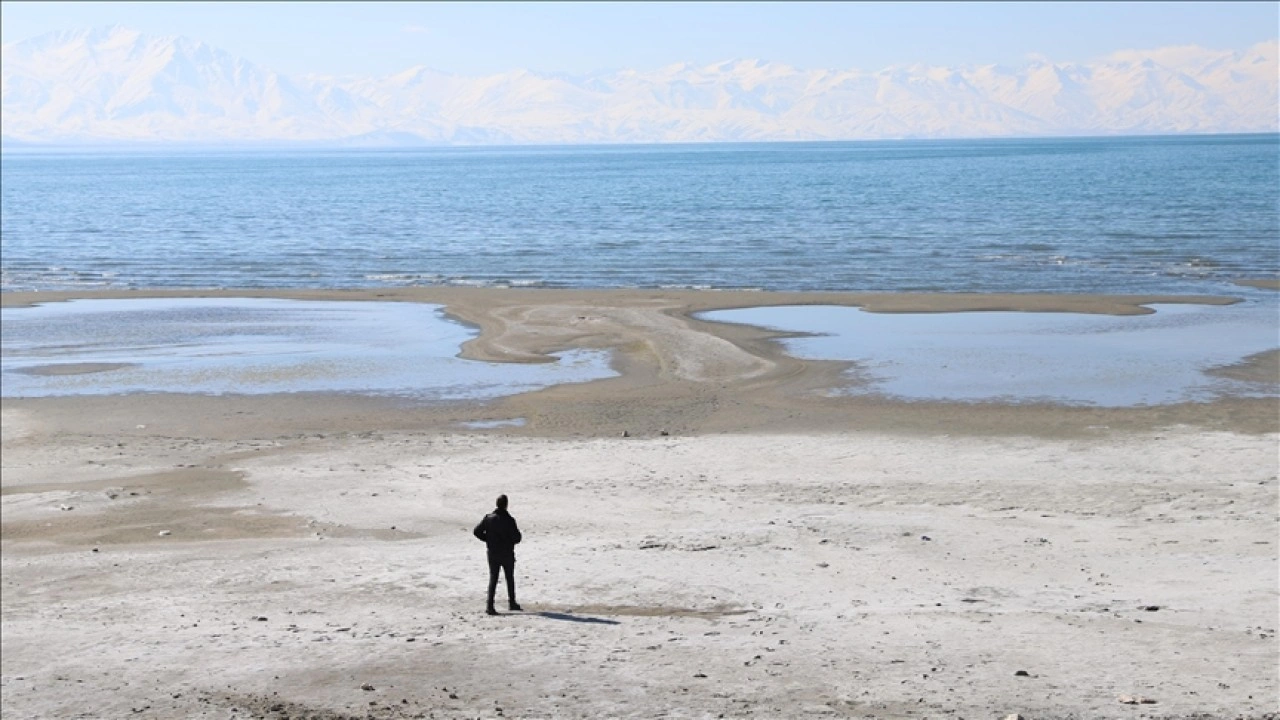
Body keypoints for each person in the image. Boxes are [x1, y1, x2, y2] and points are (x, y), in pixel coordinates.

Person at [473, 494, 523, 615]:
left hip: (493, 553)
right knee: (509, 578)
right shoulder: (509, 520)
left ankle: (490, 606)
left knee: (493, 578)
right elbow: (517, 538)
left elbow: (477, 531)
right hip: (506, 553)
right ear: (506, 505)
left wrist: (488, 540)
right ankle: (512, 602)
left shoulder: (488, 518)